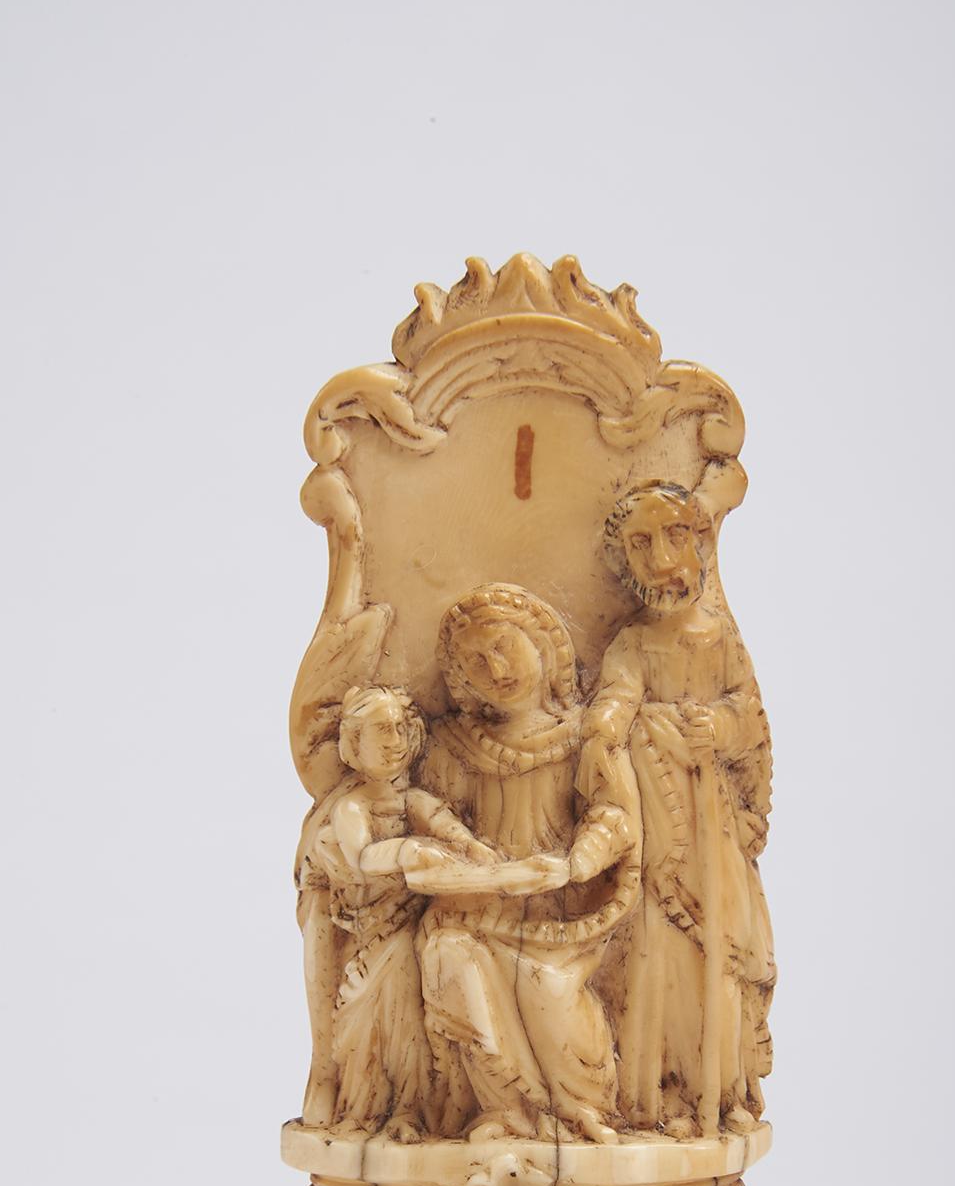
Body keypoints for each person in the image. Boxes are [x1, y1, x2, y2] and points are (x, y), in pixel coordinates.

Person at [581, 481, 776, 1136]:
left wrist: (719, 728)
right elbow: (615, 700)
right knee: (661, 958)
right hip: (661, 830)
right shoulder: (633, 645)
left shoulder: (720, 639)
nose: (662, 559)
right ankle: (662, 1094)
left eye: (674, 536)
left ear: (699, 541)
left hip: (711, 827)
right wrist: (610, 726)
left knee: (721, 952)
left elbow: (750, 717)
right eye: (642, 545)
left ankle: (723, 1090)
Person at [411, 584, 639, 1143]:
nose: (496, 669)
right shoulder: (454, 746)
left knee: (547, 989)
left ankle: (579, 1109)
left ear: (543, 644)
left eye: (504, 646)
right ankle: (508, 1109)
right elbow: (428, 816)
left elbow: (613, 814)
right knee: (451, 958)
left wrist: (577, 861)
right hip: (475, 910)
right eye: (475, 662)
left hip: (559, 913)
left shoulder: (585, 737)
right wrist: (468, 857)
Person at [295, 683, 495, 1137]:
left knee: (409, 1005)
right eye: (381, 731)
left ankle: (408, 1109)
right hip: (363, 927)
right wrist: (407, 850)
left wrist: (474, 850)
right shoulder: (351, 807)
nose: (394, 741)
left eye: (401, 729)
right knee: (366, 1010)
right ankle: (362, 1104)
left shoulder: (412, 801)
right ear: (353, 744)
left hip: (404, 925)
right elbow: (363, 857)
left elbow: (450, 829)